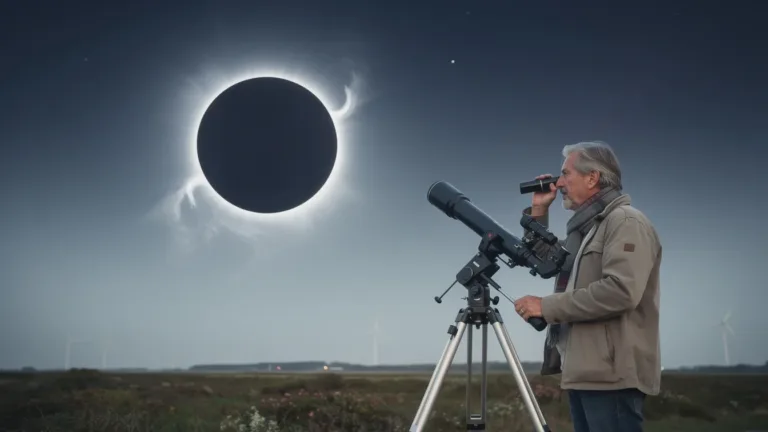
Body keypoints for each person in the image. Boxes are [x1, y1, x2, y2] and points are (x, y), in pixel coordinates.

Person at [513, 141, 662, 432]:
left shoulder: (626, 222)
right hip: (585, 371)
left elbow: (620, 292)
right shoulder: (587, 230)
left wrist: (546, 307)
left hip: (611, 375)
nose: (559, 183)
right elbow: (547, 261)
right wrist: (538, 210)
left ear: (592, 177)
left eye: (566, 174)